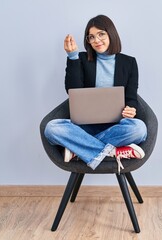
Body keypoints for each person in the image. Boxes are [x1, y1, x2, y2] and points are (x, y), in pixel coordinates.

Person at [44, 15, 147, 173]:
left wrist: (131, 109)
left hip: (116, 127)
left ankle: (78, 150)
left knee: (139, 129)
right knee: (51, 129)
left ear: (111, 33)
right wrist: (72, 57)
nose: (96, 40)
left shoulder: (129, 62)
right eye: (91, 37)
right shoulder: (83, 59)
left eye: (101, 34)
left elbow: (131, 97)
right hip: (84, 128)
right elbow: (73, 91)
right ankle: (112, 152)